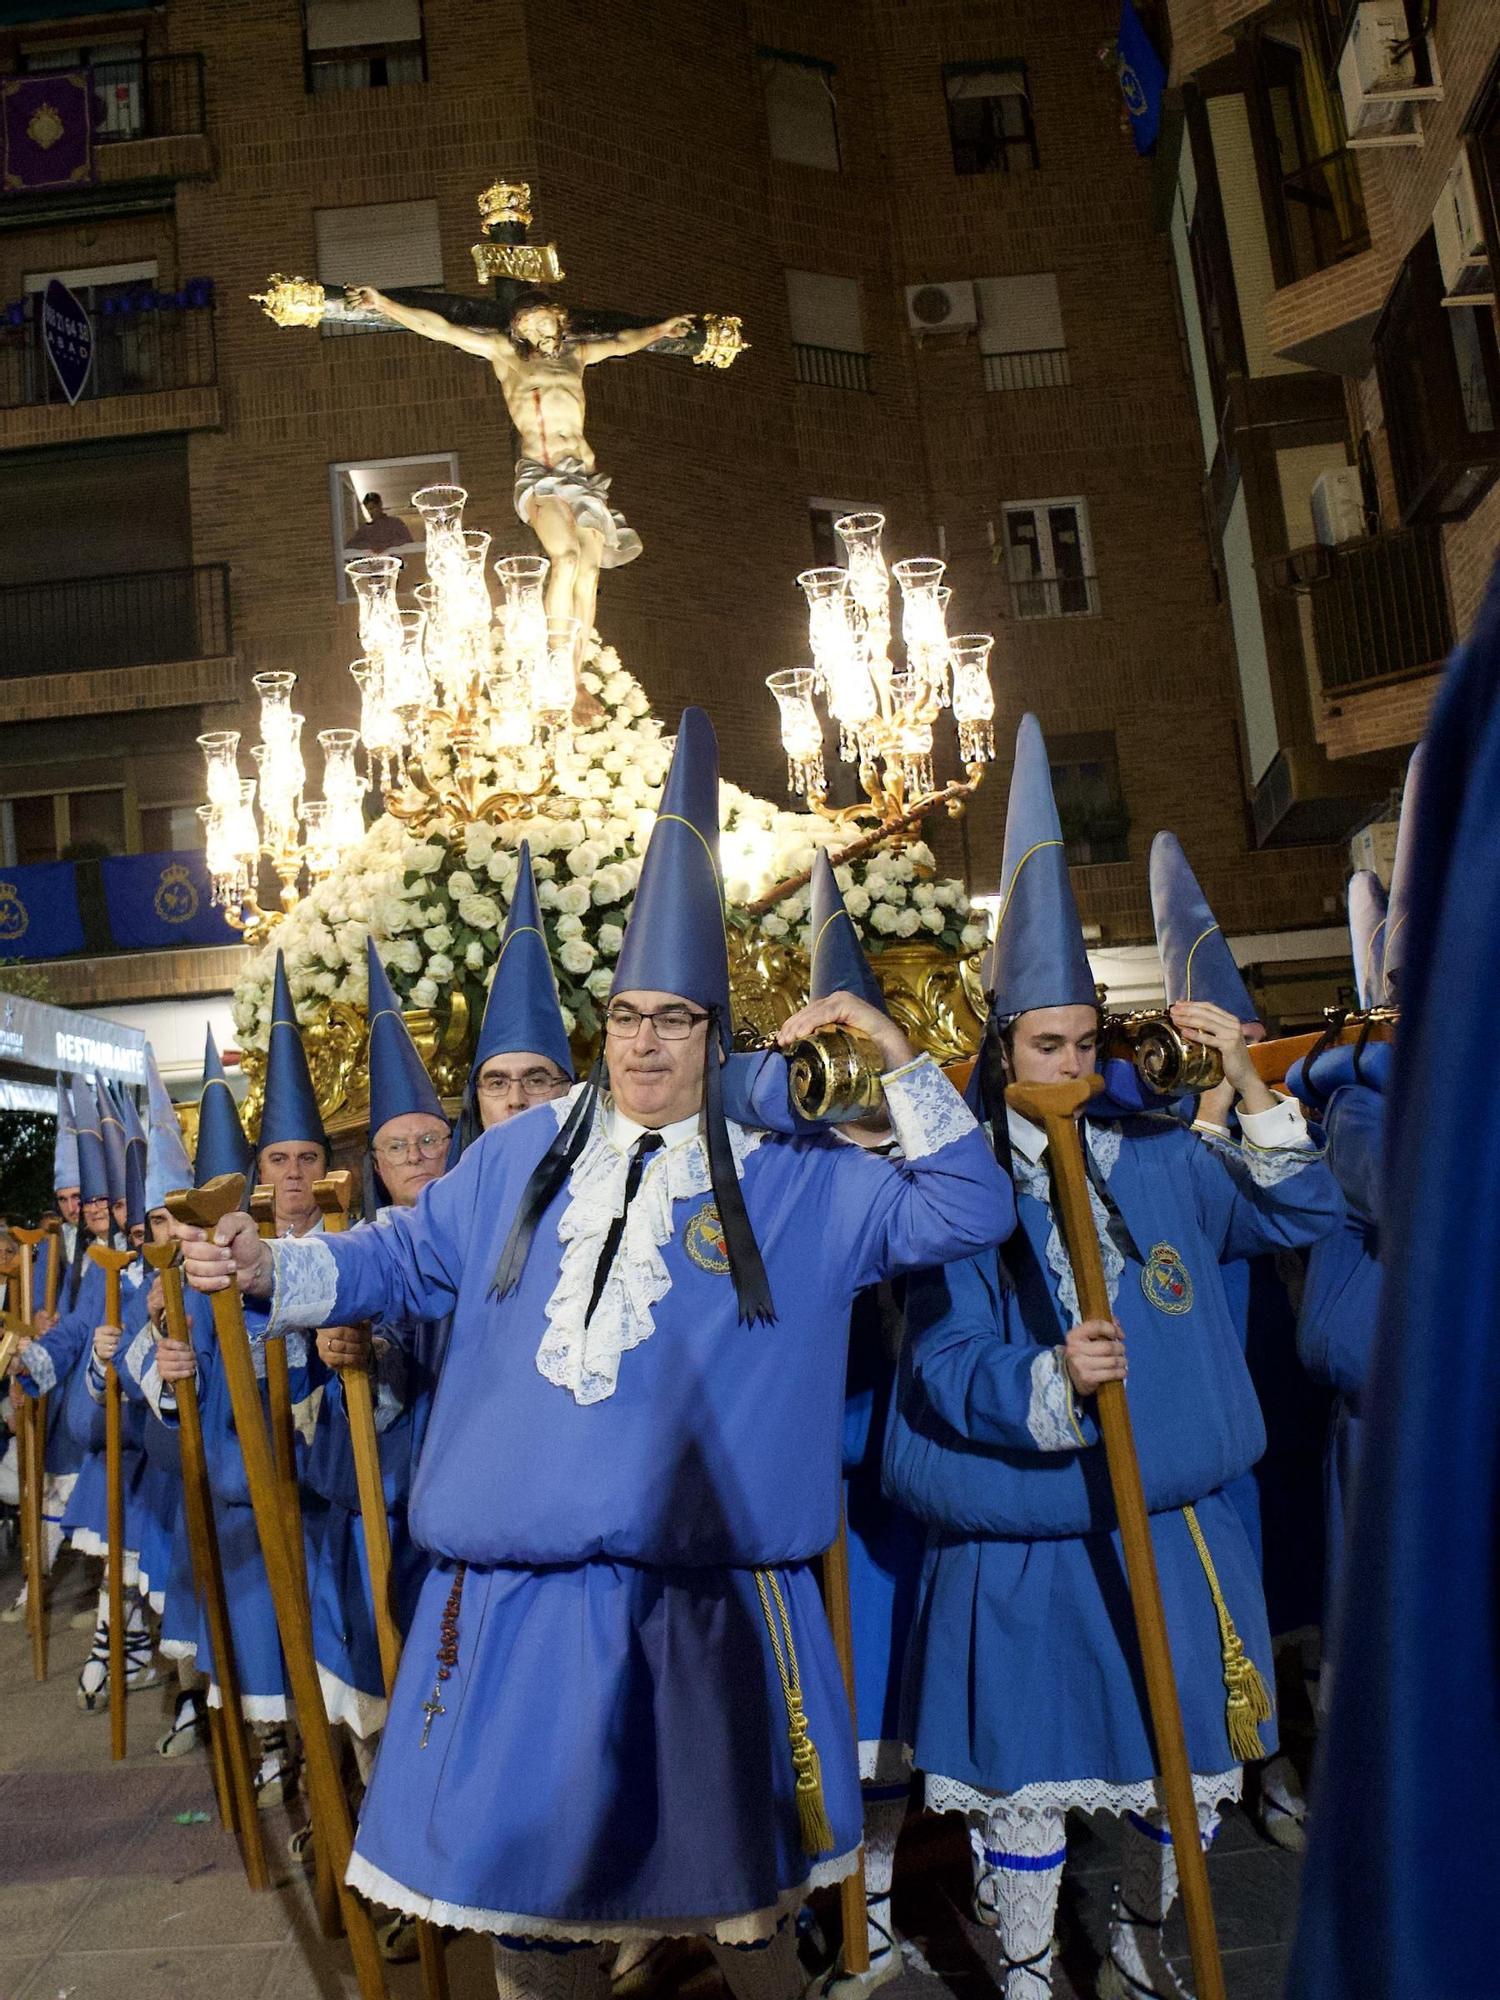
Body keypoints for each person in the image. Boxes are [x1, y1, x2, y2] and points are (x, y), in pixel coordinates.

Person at [185, 706, 1012, 2000]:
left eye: (672, 1019)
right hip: (514, 1610)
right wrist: (269, 1269)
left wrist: (899, 1058)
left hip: (708, 1614)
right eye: (625, 1014)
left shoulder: (795, 1183)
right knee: (532, 1924)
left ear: (716, 1034)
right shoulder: (521, 1150)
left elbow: (969, 1211)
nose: (640, 1042)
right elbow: (400, 1264)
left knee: (743, 1926)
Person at [885, 713, 1342, 2000]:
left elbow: (1297, 1213)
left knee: (1176, 1766)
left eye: (1087, 1045)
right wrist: (1049, 1378)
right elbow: (941, 1363)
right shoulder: (964, 1198)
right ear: (1001, 1052)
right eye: (1047, 1048)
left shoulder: (1157, 1161)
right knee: (1030, 1789)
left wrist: (1250, 1084)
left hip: (1177, 1532)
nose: (1074, 1070)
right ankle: (1030, 1970)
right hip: (1034, 1544)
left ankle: (1144, 1945)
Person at [1149, 829, 1325, 1852]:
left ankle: (1289, 1759)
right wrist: (1207, 1102)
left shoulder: (1287, 1110)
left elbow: (1302, 1207)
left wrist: (1248, 1086)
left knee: (1296, 1592)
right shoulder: (1164, 1142)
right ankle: (1249, 1768)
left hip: (1282, 1385)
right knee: (1230, 1603)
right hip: (1210, 1398)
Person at [804, 850, 927, 1999]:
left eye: (862, 1060)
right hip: (804, 1489)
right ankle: (830, 1904)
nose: (848, 1083)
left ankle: (877, 1898)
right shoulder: (789, 1178)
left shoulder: (922, 1169)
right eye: (827, 1064)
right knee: (812, 1713)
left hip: (899, 1481)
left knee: (887, 1711)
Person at [346, 283, 693, 644]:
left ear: (559, 322)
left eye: (541, 324)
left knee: (589, 572)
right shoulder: (507, 355)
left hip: (584, 477)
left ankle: (576, 672)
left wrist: (661, 330)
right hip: (543, 473)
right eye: (525, 327)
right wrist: (384, 304)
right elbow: (442, 329)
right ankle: (556, 652)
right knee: (568, 559)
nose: (534, 333)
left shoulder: (578, 355)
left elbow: (623, 341)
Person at [453, 839, 575, 1155]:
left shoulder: (610, 1197)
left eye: (536, 1081)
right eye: (496, 1083)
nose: (516, 1100)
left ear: (567, 1091)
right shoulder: (447, 1202)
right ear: (475, 1098)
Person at [346, 491, 414, 556]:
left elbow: (408, 540)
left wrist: (387, 545)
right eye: (369, 509)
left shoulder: (395, 523)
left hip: (395, 563)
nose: (371, 512)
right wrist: (370, 546)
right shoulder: (365, 529)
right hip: (374, 565)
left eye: (373, 508)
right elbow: (350, 545)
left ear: (380, 505)